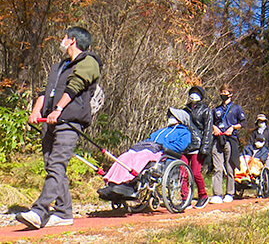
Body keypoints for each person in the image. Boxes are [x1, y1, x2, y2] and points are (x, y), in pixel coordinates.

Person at [18, 27, 102, 229]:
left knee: (57, 163)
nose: (61, 41)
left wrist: (58, 109)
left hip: (69, 121)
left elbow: (75, 86)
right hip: (50, 121)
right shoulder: (59, 67)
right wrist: (37, 111)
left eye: (64, 37)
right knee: (52, 165)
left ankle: (39, 210)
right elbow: (45, 91)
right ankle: (64, 212)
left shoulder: (88, 62)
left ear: (72, 40)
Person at [98, 108, 192, 200]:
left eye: (173, 116)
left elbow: (180, 146)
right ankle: (113, 184)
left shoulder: (184, 133)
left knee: (143, 157)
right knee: (125, 156)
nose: (170, 118)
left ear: (180, 119)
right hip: (148, 149)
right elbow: (149, 140)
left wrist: (163, 146)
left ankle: (128, 184)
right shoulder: (162, 131)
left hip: (162, 154)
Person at [209, 84, 245, 204]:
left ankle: (230, 192)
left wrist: (232, 128)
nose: (223, 94)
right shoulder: (216, 109)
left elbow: (243, 123)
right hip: (218, 139)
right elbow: (211, 122)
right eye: (221, 92)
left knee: (230, 167)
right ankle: (217, 194)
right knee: (217, 167)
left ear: (230, 94)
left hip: (231, 139)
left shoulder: (236, 108)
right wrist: (214, 128)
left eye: (225, 92)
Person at [182, 86, 213, 209]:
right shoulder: (185, 109)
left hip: (197, 145)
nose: (194, 95)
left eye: (197, 93)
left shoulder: (206, 110)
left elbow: (208, 130)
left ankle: (203, 196)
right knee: (182, 172)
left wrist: (205, 147)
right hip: (184, 145)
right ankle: (185, 198)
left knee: (195, 173)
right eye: (192, 93)